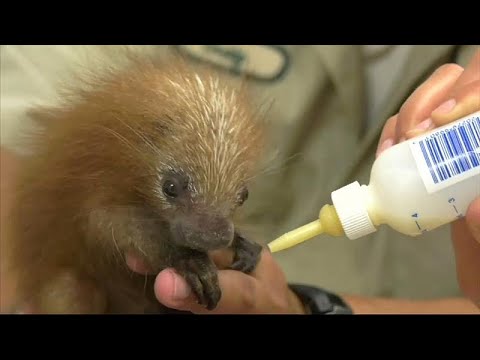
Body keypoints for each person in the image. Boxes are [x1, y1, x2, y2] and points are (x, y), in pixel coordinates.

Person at [0, 45, 479, 314]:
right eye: (175, 189)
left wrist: (306, 308)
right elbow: (60, 197)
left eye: (238, 199)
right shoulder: (109, 146)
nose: (213, 228)